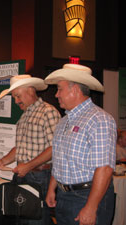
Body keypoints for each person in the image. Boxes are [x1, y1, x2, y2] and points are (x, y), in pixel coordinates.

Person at [44, 63, 116, 225]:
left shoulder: (99, 120)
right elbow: (59, 160)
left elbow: (105, 168)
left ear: (75, 89)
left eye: (60, 89)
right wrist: (52, 189)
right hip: (64, 195)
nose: (56, 95)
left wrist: (91, 207)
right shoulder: (64, 122)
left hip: (87, 196)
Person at [0, 75, 61, 225]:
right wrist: (2, 161)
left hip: (40, 177)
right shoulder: (24, 116)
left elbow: (56, 147)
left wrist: (28, 166)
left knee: (36, 220)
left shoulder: (48, 112)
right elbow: (20, 147)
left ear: (30, 90)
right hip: (24, 176)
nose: (16, 101)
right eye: (14, 97)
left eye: (17, 96)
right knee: (22, 220)